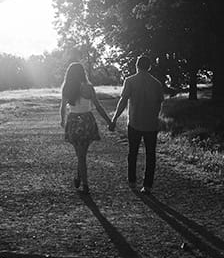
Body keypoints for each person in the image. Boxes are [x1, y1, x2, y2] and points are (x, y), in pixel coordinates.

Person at [109, 54, 167, 194]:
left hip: (134, 122)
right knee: (150, 154)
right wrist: (156, 117)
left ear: (137, 65)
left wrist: (115, 118)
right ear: (149, 67)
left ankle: (132, 181)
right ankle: (147, 185)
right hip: (151, 124)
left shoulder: (130, 81)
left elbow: (123, 101)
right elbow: (159, 104)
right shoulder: (157, 83)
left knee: (133, 152)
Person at [59, 61, 113, 194]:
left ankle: (85, 183)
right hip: (87, 121)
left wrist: (62, 120)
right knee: (82, 154)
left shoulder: (67, 88)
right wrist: (109, 121)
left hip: (73, 121)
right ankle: (81, 179)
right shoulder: (88, 87)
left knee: (80, 154)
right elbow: (98, 106)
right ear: (83, 73)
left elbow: (62, 106)